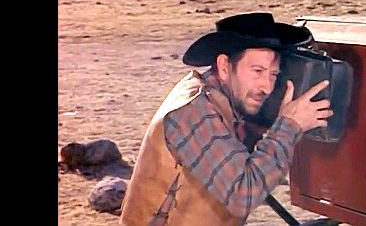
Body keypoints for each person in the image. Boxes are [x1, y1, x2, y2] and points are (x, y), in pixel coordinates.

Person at [120, 12, 333, 226]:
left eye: (273, 74)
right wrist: (290, 126)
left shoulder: (225, 100)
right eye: (257, 71)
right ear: (224, 66)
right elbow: (243, 194)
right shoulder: (193, 111)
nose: (267, 87)